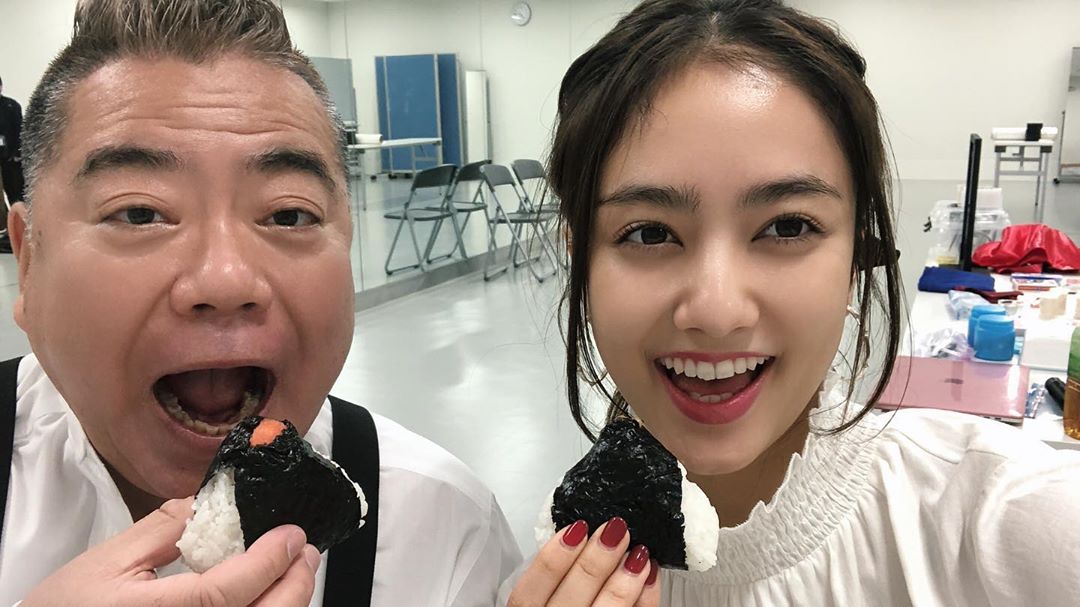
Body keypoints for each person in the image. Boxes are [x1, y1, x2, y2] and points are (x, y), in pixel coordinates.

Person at [503, 1, 1080, 605]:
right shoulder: (546, 578)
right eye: (649, 233)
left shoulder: (989, 517)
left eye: (787, 227)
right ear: (579, 258)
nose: (717, 312)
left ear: (856, 256)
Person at [1, 0, 520, 605]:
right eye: (139, 212)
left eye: (289, 214)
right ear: (28, 262)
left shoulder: (442, 529)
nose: (226, 280)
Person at [0, 74, 24, 253]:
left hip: (10, 158)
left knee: (15, 192)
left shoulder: (11, 106)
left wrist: (18, 153)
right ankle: (4, 230)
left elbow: (20, 130)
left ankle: (21, 228)